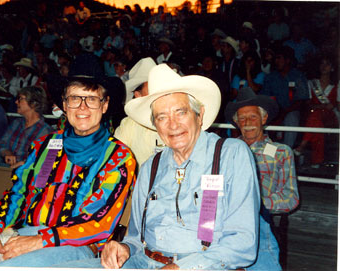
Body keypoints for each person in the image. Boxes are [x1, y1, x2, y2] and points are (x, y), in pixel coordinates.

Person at [57, 64, 278, 270]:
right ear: (155, 126)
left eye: (180, 112)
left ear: (199, 115)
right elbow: (136, 236)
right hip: (143, 262)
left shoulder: (231, 154)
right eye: (162, 117)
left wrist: (181, 267)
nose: (172, 125)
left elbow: (242, 243)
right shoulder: (151, 167)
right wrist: (124, 248)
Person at [0, 78, 137, 267]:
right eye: (75, 98)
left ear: (104, 105)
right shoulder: (45, 145)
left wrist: (41, 240)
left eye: (92, 99)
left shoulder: (118, 157)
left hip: (74, 246)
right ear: (65, 105)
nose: (82, 107)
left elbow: (99, 223)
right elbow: (17, 194)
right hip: (22, 235)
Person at [0, 86, 54, 234]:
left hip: (19, 176)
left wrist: (23, 162)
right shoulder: (16, 124)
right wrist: (7, 152)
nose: (16, 102)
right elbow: (1, 145)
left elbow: (42, 160)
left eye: (20, 99)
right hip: (0, 170)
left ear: (33, 104)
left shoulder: (45, 131)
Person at [225, 87, 299, 214]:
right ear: (237, 123)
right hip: (227, 214)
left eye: (253, 117)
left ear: (263, 119)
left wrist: (256, 203)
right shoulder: (227, 149)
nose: (247, 122)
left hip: (259, 216)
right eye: (242, 118)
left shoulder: (281, 152)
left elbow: (290, 197)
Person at [114, 57, 162, 167]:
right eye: (152, 86)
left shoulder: (174, 120)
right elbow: (114, 161)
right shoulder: (128, 125)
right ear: (138, 95)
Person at [294, 56, 339, 168]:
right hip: (315, 115)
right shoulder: (311, 83)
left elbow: (337, 105)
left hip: (331, 116)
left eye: (327, 64)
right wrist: (322, 106)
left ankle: (302, 147)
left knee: (314, 117)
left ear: (332, 68)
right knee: (315, 120)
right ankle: (316, 162)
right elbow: (308, 104)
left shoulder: (337, 85)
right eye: (322, 64)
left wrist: (326, 106)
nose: (324, 67)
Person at [261, 46, 309, 148]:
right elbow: (266, 98)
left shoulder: (298, 76)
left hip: (291, 111)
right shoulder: (270, 77)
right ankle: (271, 155)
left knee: (291, 118)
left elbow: (301, 101)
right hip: (275, 111)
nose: (276, 61)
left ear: (287, 60)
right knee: (265, 117)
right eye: (275, 59)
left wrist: (285, 112)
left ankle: (287, 151)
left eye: (279, 58)